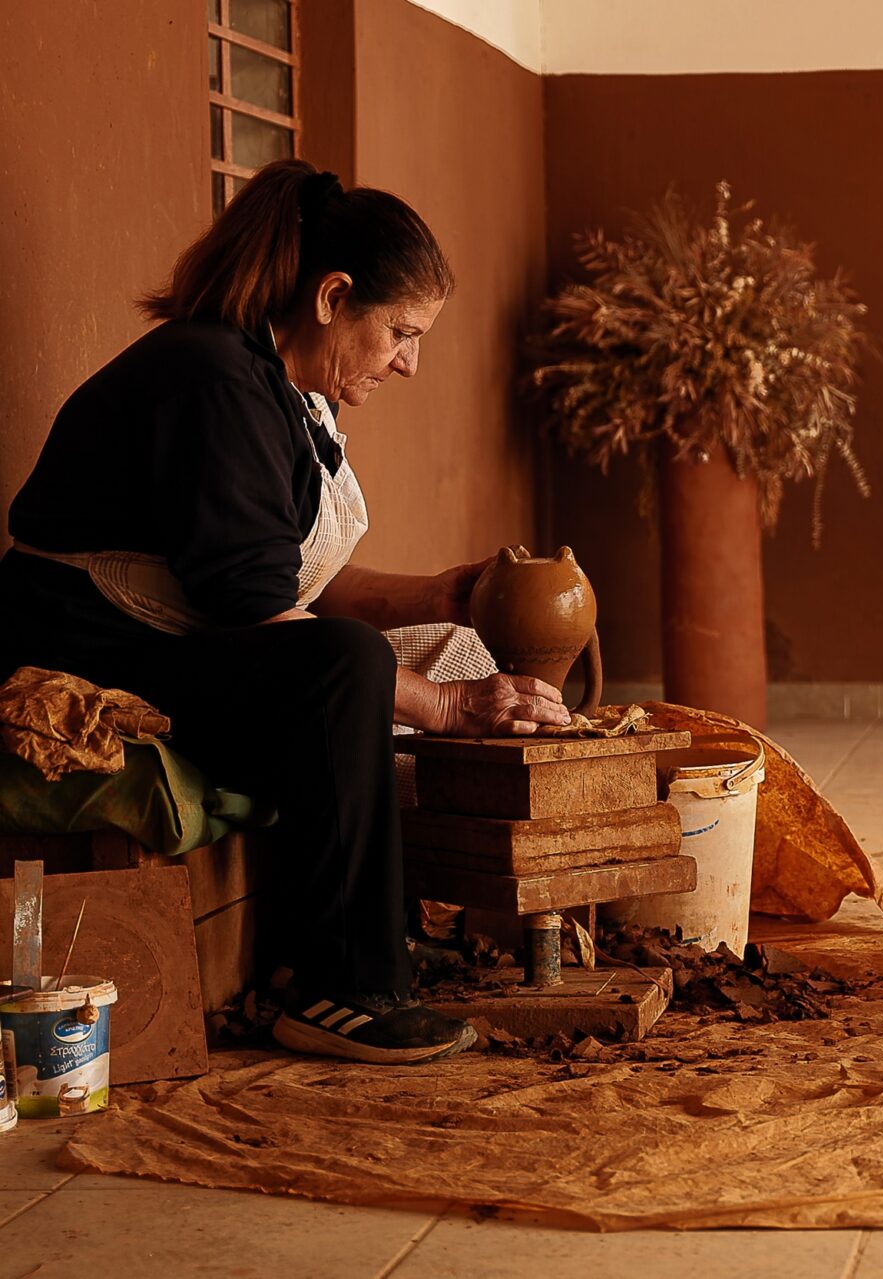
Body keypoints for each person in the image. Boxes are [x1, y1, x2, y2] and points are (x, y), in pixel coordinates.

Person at [0, 160, 572, 1064]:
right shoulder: (211, 376)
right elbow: (260, 606)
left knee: (404, 648)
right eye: (401, 333)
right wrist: (449, 704)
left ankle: (378, 942)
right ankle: (337, 988)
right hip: (85, 648)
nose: (409, 362)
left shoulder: (286, 391)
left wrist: (438, 599)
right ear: (333, 296)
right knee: (347, 668)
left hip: (175, 635)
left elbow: (288, 578)